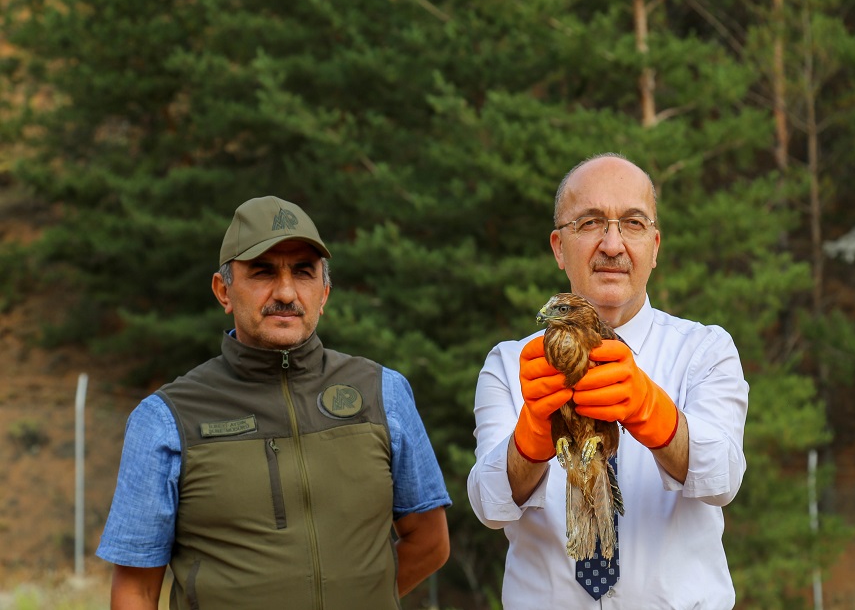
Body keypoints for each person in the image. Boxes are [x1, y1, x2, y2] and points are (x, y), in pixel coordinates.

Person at [97, 196, 451, 610]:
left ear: (324, 293)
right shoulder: (165, 419)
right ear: (223, 291)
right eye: (262, 272)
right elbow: (135, 591)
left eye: (303, 272)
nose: (285, 292)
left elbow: (430, 542)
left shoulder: (384, 392)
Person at [467, 155, 749, 609]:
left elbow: (722, 479)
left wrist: (651, 412)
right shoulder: (511, 363)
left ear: (655, 247)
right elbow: (490, 503)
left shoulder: (705, 350)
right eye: (591, 222)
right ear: (559, 247)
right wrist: (532, 436)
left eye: (633, 224)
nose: (613, 245)